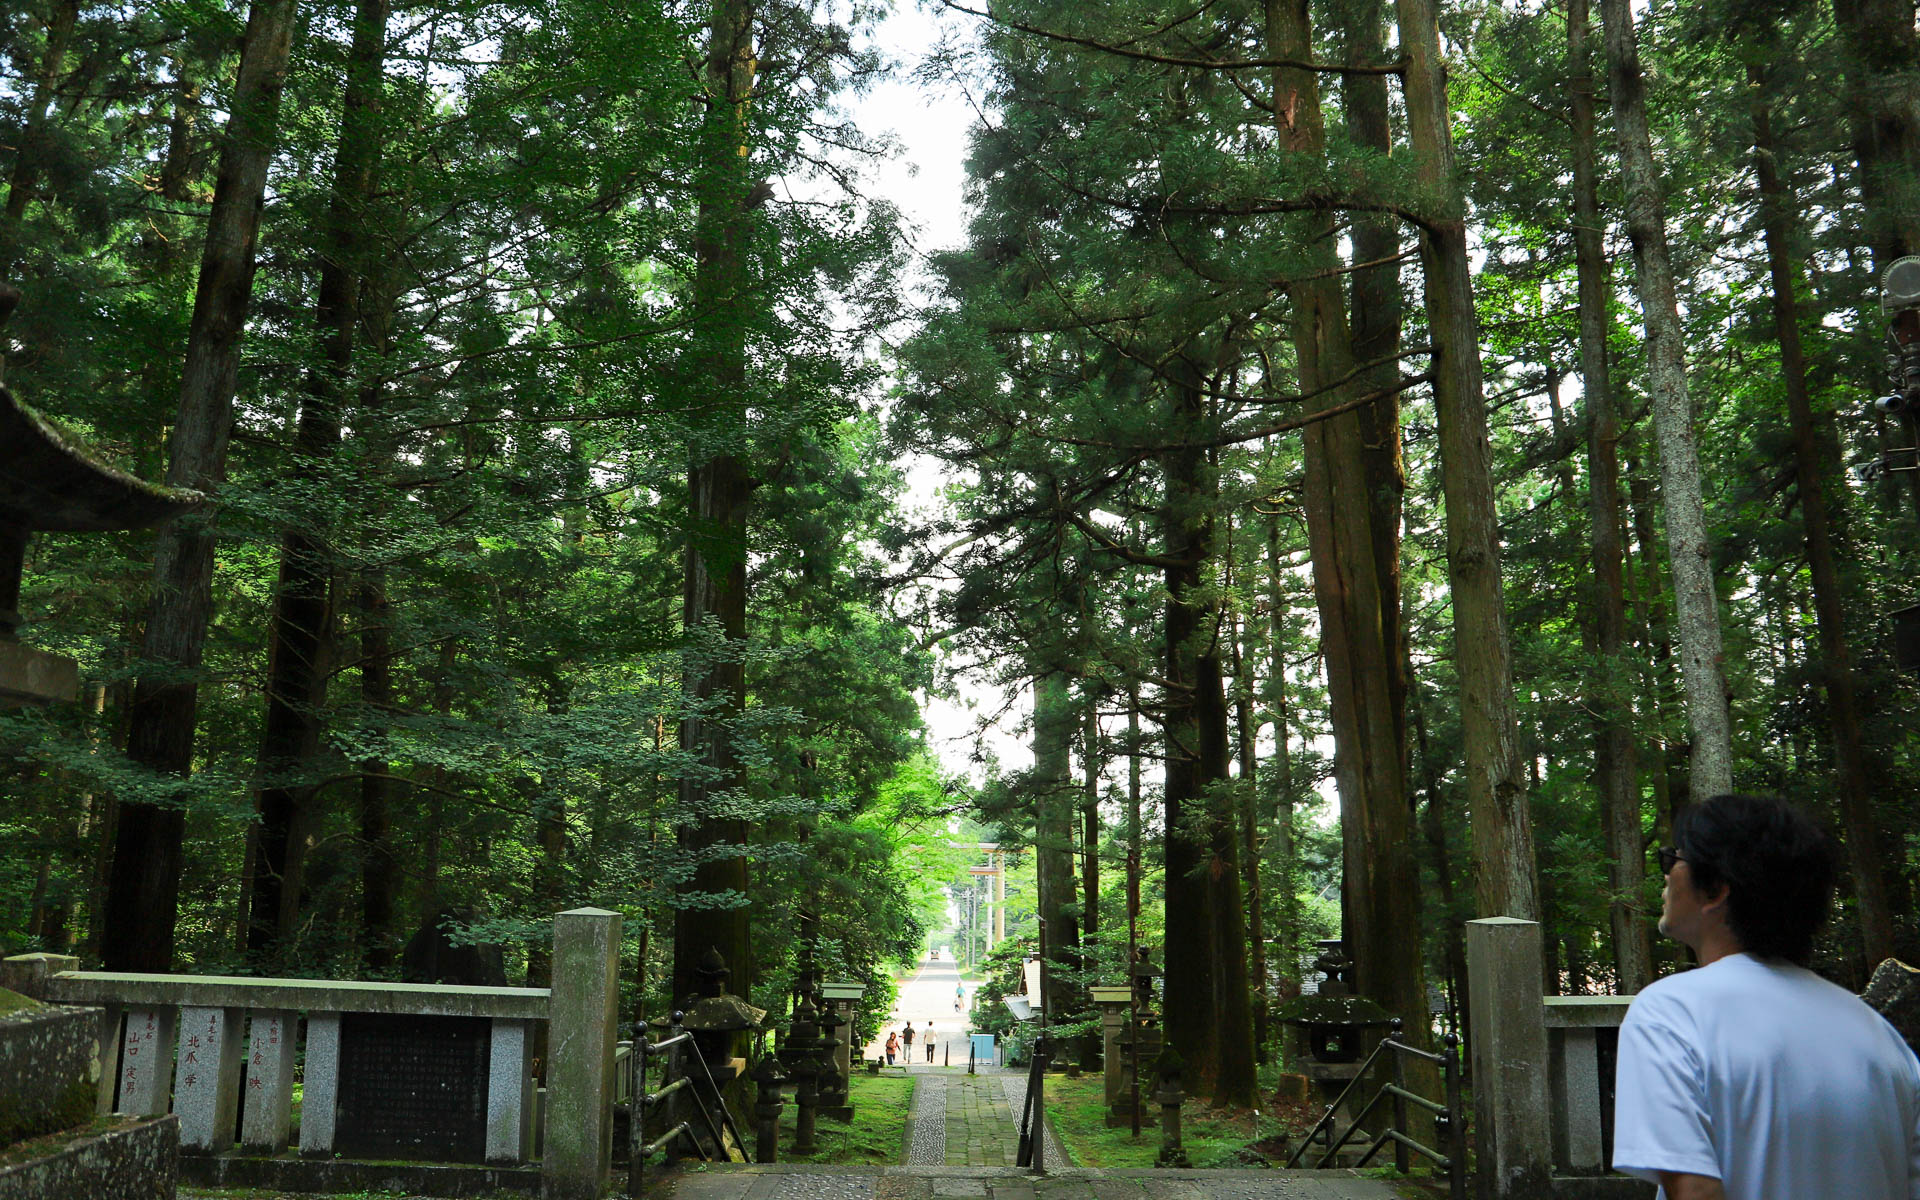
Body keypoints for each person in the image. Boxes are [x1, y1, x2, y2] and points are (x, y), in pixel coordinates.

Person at [1612, 793, 1920, 1200]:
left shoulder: (1671, 1013)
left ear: (1717, 889)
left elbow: (1696, 1191)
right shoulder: (1882, 1038)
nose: (1666, 875)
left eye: (1673, 860)